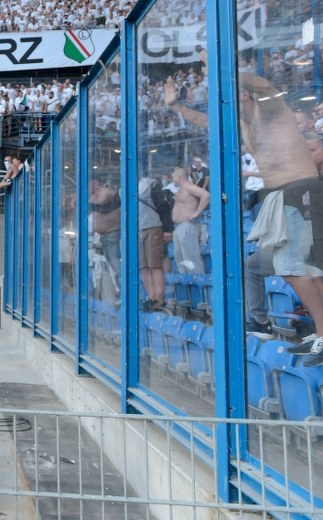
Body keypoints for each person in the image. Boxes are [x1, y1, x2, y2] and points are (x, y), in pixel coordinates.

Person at [166, 51, 323, 358]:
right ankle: (314, 332)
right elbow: (205, 120)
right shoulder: (244, 124)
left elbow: (264, 85)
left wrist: (219, 66)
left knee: (295, 267)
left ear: (246, 93)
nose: (228, 99)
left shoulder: (274, 111)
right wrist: (176, 106)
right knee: (299, 268)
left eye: (234, 93)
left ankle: (322, 333)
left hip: (299, 190)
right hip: (281, 197)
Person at [138, 176, 170, 311]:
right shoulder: (124, 188)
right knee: (143, 267)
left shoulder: (151, 184)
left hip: (153, 227)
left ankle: (159, 298)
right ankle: (151, 296)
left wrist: (168, 229)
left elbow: (163, 207)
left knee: (155, 265)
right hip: (139, 229)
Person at [170, 167, 209, 274]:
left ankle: (199, 285)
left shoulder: (189, 186)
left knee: (191, 260)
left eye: (173, 177)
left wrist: (196, 213)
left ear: (178, 177)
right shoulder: (181, 189)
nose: (172, 179)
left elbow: (205, 195)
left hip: (187, 226)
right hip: (178, 228)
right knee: (181, 261)